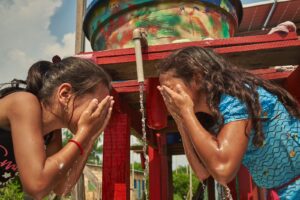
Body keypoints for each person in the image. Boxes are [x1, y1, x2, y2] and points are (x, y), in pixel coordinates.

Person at [157, 46, 300, 199]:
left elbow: (223, 170)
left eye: (171, 89)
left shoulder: (237, 97)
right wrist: (181, 122)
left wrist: (186, 111)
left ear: (197, 78)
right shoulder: (213, 117)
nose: (169, 98)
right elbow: (202, 172)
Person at [0, 56, 114, 199]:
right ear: (65, 94)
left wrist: (89, 140)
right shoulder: (23, 103)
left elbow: (61, 187)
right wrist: (84, 133)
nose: (98, 114)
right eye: (97, 105)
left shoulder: (52, 133)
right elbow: (36, 185)